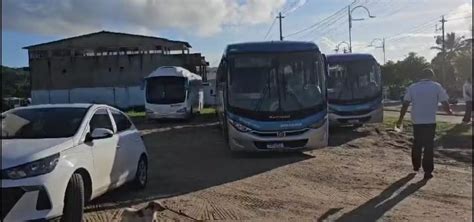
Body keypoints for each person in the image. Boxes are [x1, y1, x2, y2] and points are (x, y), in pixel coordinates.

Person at [396, 69, 453, 180]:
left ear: (421, 76)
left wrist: (400, 119)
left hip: (417, 120)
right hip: (430, 121)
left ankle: (416, 166)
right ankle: (428, 171)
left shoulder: (413, 87)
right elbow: (444, 102)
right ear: (431, 76)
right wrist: (449, 111)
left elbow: (405, 104)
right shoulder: (436, 86)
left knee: (417, 143)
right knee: (428, 146)